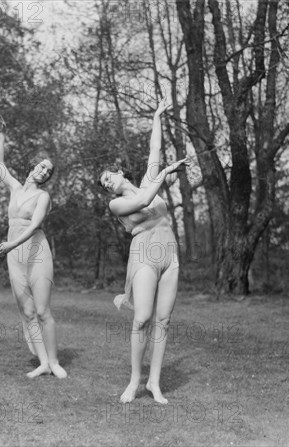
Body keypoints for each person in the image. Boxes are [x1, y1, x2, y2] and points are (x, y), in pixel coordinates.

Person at [98, 99, 190, 404]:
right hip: (144, 253)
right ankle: (135, 380)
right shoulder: (117, 204)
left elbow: (154, 149)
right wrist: (164, 175)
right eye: (104, 184)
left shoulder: (149, 178)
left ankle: (154, 382)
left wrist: (157, 116)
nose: (107, 181)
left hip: (169, 250)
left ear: (120, 172)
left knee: (163, 320)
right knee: (142, 318)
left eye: (108, 175)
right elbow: (144, 200)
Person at [0, 114, 67, 379]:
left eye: (48, 171)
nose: (44, 172)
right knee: (27, 310)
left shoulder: (42, 196)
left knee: (43, 310)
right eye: (42, 167)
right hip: (15, 255)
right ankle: (43, 362)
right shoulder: (14, 188)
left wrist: (10, 244)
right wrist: (1, 134)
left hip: (36, 251)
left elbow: (34, 226)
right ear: (33, 165)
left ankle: (55, 361)